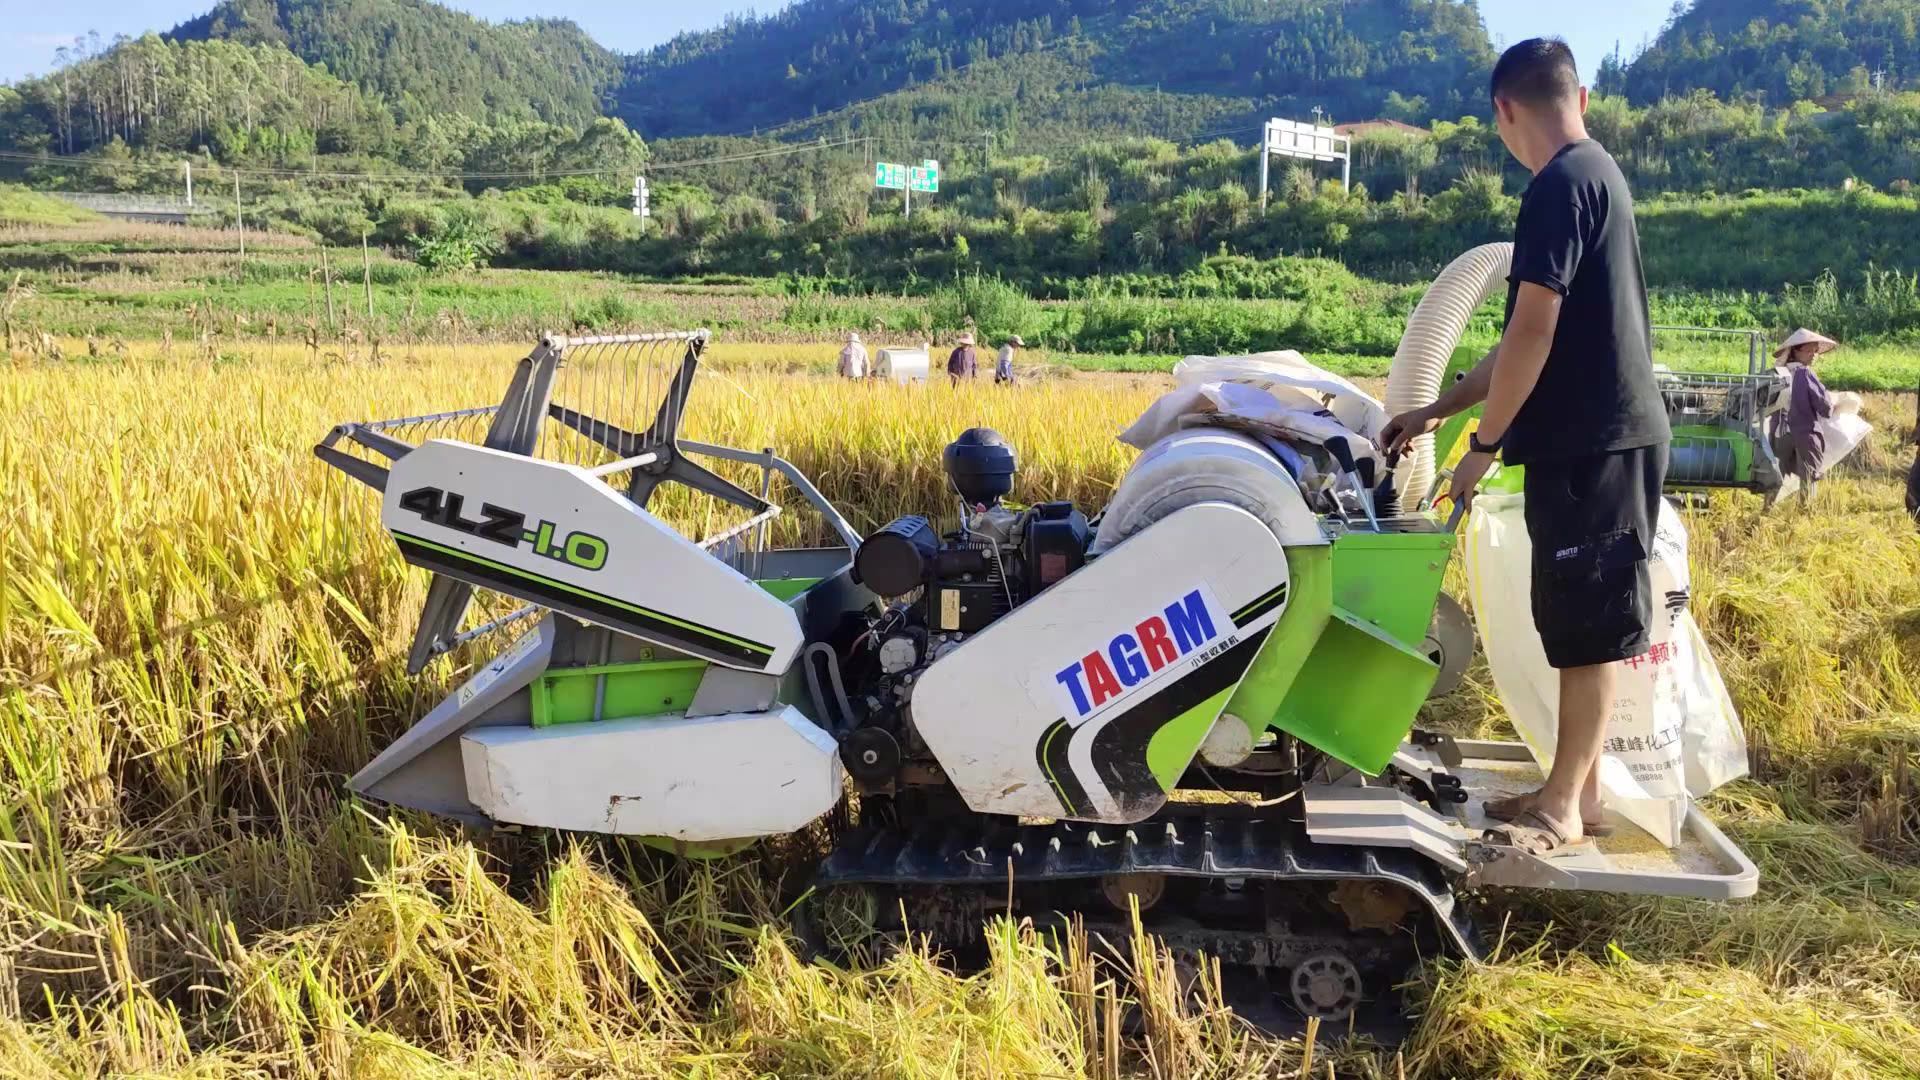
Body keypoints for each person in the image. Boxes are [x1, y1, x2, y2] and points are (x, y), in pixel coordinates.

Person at [1380, 38, 1671, 855]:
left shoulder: (1559, 186)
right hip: (1596, 441)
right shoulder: (1594, 175)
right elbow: (1522, 337)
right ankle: (1576, 794)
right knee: (1581, 618)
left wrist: (1485, 444)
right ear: (1578, 95)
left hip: (1596, 442)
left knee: (1590, 624)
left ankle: (1565, 809)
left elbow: (1534, 331)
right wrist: (1440, 408)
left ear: (1505, 111)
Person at [1769, 328, 1836, 507]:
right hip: (1804, 434)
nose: (1813, 355)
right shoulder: (1805, 374)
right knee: (1809, 477)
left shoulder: (1777, 374)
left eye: (1815, 350)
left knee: (1776, 476)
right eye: (1809, 350)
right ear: (1796, 352)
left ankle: (1766, 510)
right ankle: (1805, 514)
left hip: (1779, 434)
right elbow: (1825, 407)